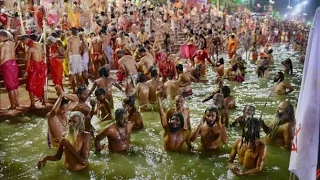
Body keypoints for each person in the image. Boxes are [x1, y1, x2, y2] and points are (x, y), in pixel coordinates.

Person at [22, 35, 46, 108]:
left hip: (35, 68)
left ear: (26, 40)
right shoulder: (39, 44)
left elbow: (28, 62)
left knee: (30, 85)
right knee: (40, 83)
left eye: (24, 42)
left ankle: (32, 104)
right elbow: (43, 55)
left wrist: (26, 71)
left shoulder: (30, 49)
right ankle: (43, 101)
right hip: (41, 66)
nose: (24, 44)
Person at [0, 30, 19, 110]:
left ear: (1, 36)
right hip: (14, 64)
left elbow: (1, 57)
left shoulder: (2, 45)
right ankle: (17, 103)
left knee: (10, 87)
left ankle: (13, 105)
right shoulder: (12, 43)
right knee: (14, 86)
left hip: (7, 65)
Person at [67, 28, 84, 93]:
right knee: (79, 74)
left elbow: (68, 49)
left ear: (71, 32)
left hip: (73, 56)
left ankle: (73, 90)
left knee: (72, 74)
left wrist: (68, 59)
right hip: (78, 56)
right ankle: (82, 89)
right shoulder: (78, 38)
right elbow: (79, 47)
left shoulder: (69, 38)